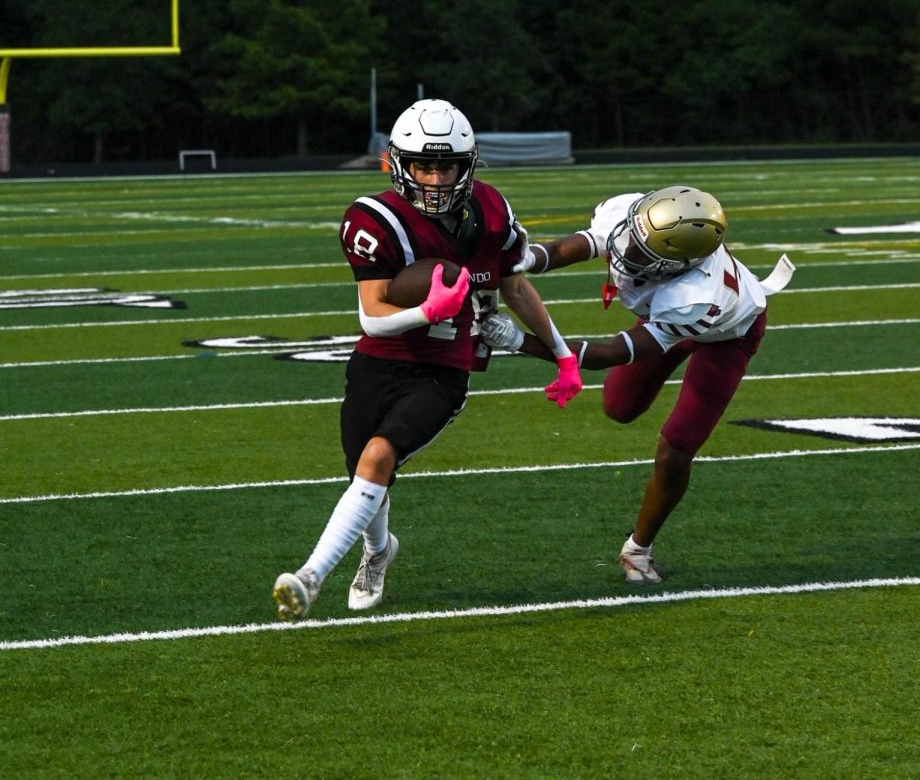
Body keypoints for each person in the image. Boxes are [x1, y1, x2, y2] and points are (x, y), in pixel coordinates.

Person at [273, 98, 582, 619]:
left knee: (376, 458)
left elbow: (515, 286)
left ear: (469, 165)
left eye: (447, 165)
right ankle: (378, 551)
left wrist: (562, 354)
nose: (436, 178)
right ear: (399, 164)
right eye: (424, 165)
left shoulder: (490, 210)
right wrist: (426, 309)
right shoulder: (374, 220)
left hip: (443, 369)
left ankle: (310, 577)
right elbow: (372, 317)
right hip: (379, 357)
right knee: (366, 476)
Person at [479, 184, 794, 584]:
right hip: (670, 317)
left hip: (728, 334)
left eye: (646, 254)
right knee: (619, 407)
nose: (628, 252)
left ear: (680, 263)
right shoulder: (635, 215)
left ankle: (639, 549)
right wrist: (519, 258)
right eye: (634, 239)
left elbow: (612, 352)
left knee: (676, 448)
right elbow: (572, 247)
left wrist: (519, 341)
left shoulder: (691, 296)